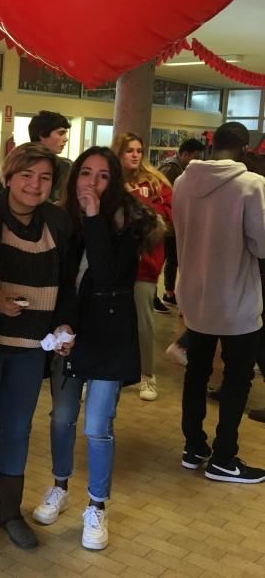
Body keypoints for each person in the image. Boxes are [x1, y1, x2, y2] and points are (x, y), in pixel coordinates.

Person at [0, 143, 77, 554]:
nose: (34, 185)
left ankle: (9, 512)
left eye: (43, 178)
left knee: (18, 431)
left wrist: (64, 323)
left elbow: (71, 281)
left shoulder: (58, 222)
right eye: (26, 175)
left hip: (31, 347)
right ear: (8, 177)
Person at [38, 146, 163, 551]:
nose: (91, 183)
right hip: (71, 334)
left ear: (115, 182)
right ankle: (59, 486)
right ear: (73, 178)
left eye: (103, 175)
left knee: (97, 427)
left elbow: (108, 277)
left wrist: (94, 218)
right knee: (62, 419)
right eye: (85, 173)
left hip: (110, 336)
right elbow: (62, 282)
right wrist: (62, 324)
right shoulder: (62, 221)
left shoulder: (128, 221)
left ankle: (97, 506)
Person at [174, 122, 265, 483]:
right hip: (237, 300)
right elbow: (262, 245)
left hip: (195, 295)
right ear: (244, 149)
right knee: (237, 379)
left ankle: (194, 446)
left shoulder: (183, 182)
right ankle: (225, 458)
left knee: (196, 374)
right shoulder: (251, 185)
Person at [113, 133, 172, 401]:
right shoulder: (110, 180)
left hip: (143, 264)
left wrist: (138, 202)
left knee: (143, 323)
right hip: (112, 263)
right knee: (109, 320)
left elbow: (168, 218)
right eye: (129, 150)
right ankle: (107, 371)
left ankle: (147, 375)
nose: (135, 155)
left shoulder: (156, 183)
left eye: (139, 150)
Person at [158, 138, 205, 308]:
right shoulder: (172, 168)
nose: (199, 161)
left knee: (172, 258)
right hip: (166, 225)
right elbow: (165, 196)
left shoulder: (179, 168)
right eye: (196, 157)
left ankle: (168, 293)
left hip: (172, 224)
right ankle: (163, 295)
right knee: (166, 258)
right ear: (185, 154)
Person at [27, 110, 72, 201]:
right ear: (42, 135)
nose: (66, 139)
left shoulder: (66, 165)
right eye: (61, 133)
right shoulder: (16, 163)